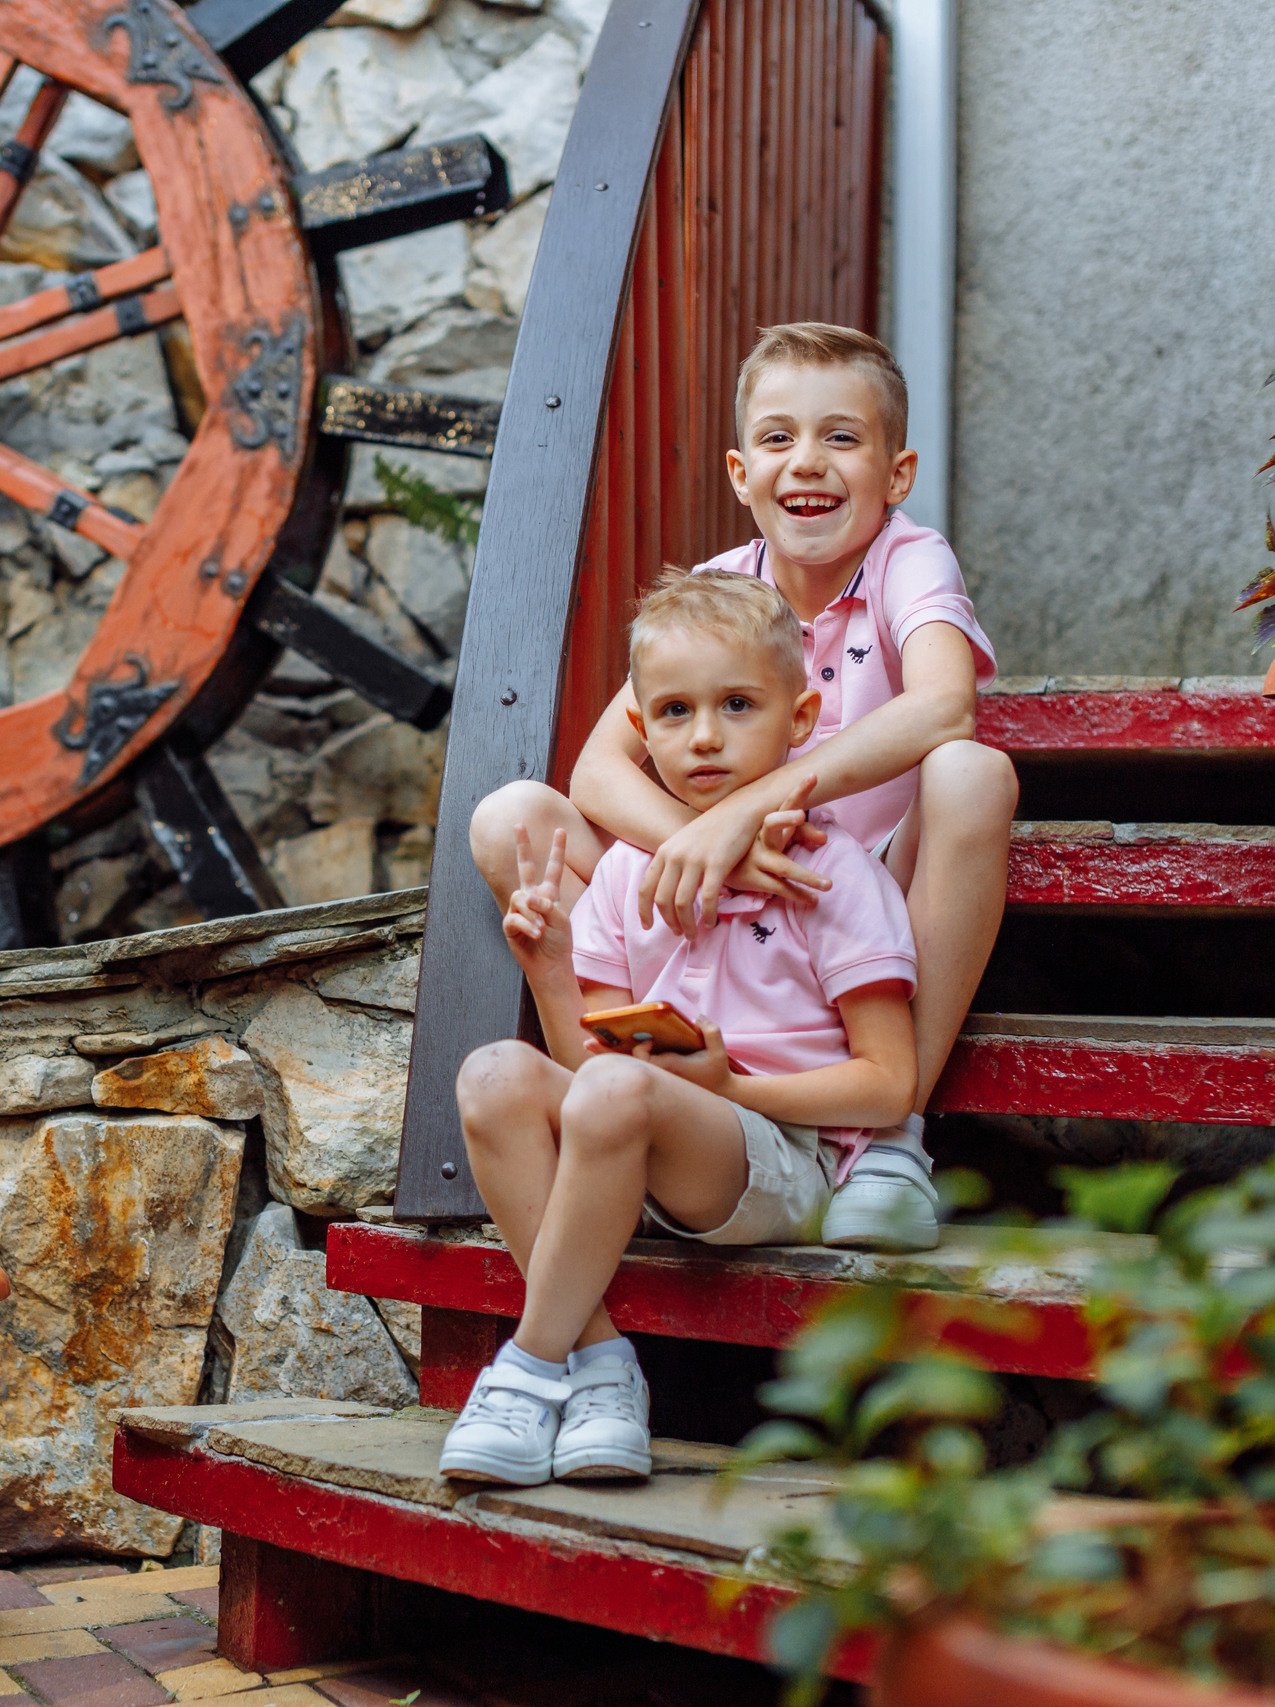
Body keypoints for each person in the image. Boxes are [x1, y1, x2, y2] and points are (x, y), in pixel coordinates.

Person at [468, 322, 1014, 1256]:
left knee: (973, 774)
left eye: (841, 437)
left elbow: (944, 709)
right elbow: (599, 768)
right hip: (721, 900)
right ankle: (664, 1059)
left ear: (897, 472)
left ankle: (887, 1134)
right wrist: (707, 834)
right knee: (510, 816)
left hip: (865, 886)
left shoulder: (906, 559)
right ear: (737, 470)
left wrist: (743, 815)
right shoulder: (721, 586)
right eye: (777, 438)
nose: (807, 462)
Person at [437, 569, 918, 1486]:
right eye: (672, 712)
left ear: (800, 716)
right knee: (495, 1074)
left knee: (619, 1090)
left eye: (737, 705)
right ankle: (604, 1365)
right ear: (644, 732)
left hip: (782, 1155)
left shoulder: (834, 873)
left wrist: (730, 1088)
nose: (703, 736)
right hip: (643, 1143)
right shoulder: (624, 874)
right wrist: (548, 968)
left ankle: (530, 1366)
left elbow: (890, 1081)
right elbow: (593, 1069)